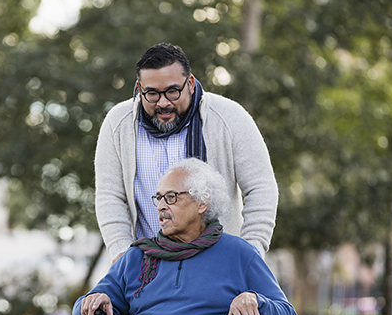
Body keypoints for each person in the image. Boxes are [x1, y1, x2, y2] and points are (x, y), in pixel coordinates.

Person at [73, 158, 297, 315]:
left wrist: (257, 301)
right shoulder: (138, 256)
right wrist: (91, 302)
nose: (161, 207)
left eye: (171, 197)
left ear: (202, 202)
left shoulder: (238, 254)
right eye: (158, 198)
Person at [95, 42, 278, 263]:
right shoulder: (118, 124)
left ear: (190, 83)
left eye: (172, 91)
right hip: (147, 269)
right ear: (139, 88)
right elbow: (109, 196)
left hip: (217, 266)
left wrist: (250, 254)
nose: (163, 103)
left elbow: (261, 189)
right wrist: (121, 254)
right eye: (152, 93)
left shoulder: (230, 117)